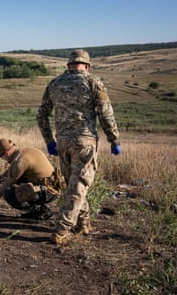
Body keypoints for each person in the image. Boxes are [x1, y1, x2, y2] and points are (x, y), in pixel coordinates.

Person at [36, 49, 121, 244]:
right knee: (78, 186)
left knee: (75, 185)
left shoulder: (54, 84)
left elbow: (41, 115)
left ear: (69, 64)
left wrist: (49, 140)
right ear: (87, 65)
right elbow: (106, 115)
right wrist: (114, 140)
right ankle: (61, 230)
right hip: (84, 142)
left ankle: (83, 223)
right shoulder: (93, 83)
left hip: (63, 144)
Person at [0, 138, 64, 220]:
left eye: (1, 156)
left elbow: (8, 182)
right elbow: (8, 173)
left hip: (49, 191)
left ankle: (38, 210)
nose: (2, 159)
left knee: (8, 193)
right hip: (46, 187)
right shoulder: (22, 153)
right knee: (18, 182)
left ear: (7, 153)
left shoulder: (20, 162)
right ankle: (36, 208)